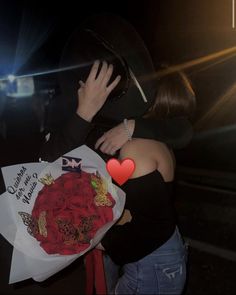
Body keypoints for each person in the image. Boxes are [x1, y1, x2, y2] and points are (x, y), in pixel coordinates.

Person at [40, 60, 196, 294]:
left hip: (150, 260)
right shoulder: (145, 139)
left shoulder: (137, 146)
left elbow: (149, 228)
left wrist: (100, 242)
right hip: (150, 255)